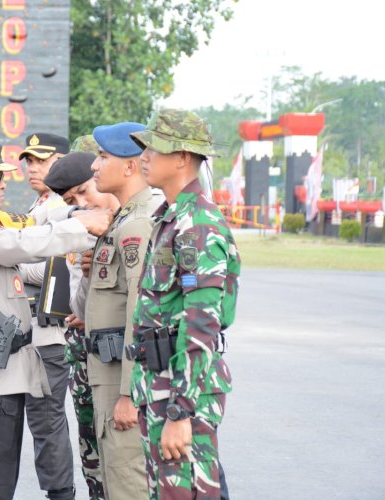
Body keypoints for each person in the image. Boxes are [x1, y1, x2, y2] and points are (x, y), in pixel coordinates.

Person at [0, 140, 111, 500]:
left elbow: (31, 222)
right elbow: (21, 243)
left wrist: (73, 212)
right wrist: (83, 226)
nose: (3, 184)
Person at [128, 109, 241, 499]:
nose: (144, 157)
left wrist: (181, 410)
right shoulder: (171, 218)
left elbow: (202, 323)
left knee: (188, 492)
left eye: (154, 148)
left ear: (182, 158)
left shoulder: (198, 225)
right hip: (159, 387)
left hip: (181, 393)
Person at [82, 122, 159, 499]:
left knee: (130, 486)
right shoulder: (122, 220)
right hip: (107, 376)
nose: (94, 167)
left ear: (130, 166)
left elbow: (139, 313)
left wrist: (129, 392)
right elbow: (91, 305)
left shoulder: (139, 225)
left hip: (122, 383)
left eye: (102, 156)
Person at [43, 149, 119, 500]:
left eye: (86, 191)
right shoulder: (90, 225)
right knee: (93, 445)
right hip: (89, 349)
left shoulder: (142, 222)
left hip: (129, 362)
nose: (84, 202)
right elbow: (78, 305)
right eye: (74, 199)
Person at [17, 132, 78, 499]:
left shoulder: (63, 206)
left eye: (42, 159)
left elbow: (62, 271)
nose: (33, 167)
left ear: (62, 160)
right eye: (29, 160)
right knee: (43, 423)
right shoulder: (38, 205)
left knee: (47, 423)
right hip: (31, 333)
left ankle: (61, 494)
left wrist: (10, 265)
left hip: (48, 335)